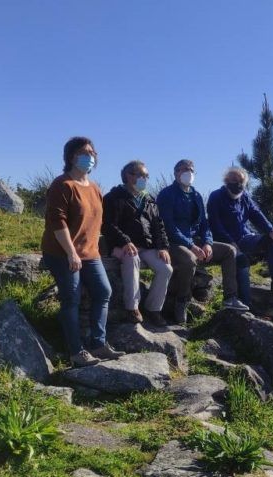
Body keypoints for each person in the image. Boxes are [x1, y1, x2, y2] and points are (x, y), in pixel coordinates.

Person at [41, 136, 122, 367]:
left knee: (103, 291)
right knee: (71, 298)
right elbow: (57, 221)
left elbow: (96, 222)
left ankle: (98, 344)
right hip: (61, 252)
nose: (90, 156)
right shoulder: (62, 185)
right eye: (83, 152)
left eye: (92, 152)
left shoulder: (95, 188)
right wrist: (71, 253)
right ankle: (76, 351)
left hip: (90, 253)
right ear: (70, 157)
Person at [156, 159, 249, 324]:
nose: (188, 173)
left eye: (191, 170)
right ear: (176, 172)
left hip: (195, 241)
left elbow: (204, 224)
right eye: (184, 169)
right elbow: (168, 226)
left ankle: (230, 297)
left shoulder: (196, 195)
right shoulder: (166, 195)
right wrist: (191, 246)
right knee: (189, 260)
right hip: (173, 243)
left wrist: (207, 242)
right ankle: (182, 301)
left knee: (229, 251)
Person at [207, 167, 273, 305]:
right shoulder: (216, 196)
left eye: (241, 181)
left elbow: (256, 213)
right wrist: (231, 242)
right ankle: (245, 303)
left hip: (245, 238)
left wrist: (271, 230)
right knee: (241, 261)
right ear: (226, 181)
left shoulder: (244, 196)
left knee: (271, 241)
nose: (238, 184)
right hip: (224, 242)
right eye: (234, 180)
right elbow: (215, 224)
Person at [102, 160, 172, 327]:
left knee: (165, 268)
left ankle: (153, 309)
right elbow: (108, 225)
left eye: (146, 176)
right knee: (132, 259)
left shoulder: (149, 199)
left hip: (147, 246)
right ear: (129, 175)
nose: (145, 179)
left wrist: (163, 247)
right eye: (142, 175)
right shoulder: (113, 197)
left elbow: (158, 225)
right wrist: (125, 241)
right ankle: (132, 308)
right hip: (121, 246)